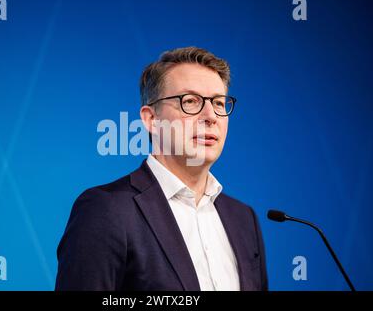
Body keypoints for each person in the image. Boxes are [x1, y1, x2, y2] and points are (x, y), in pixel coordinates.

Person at [55, 46, 268, 291]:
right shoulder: (106, 209)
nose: (211, 116)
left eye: (219, 103)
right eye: (191, 101)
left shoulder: (244, 219)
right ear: (151, 119)